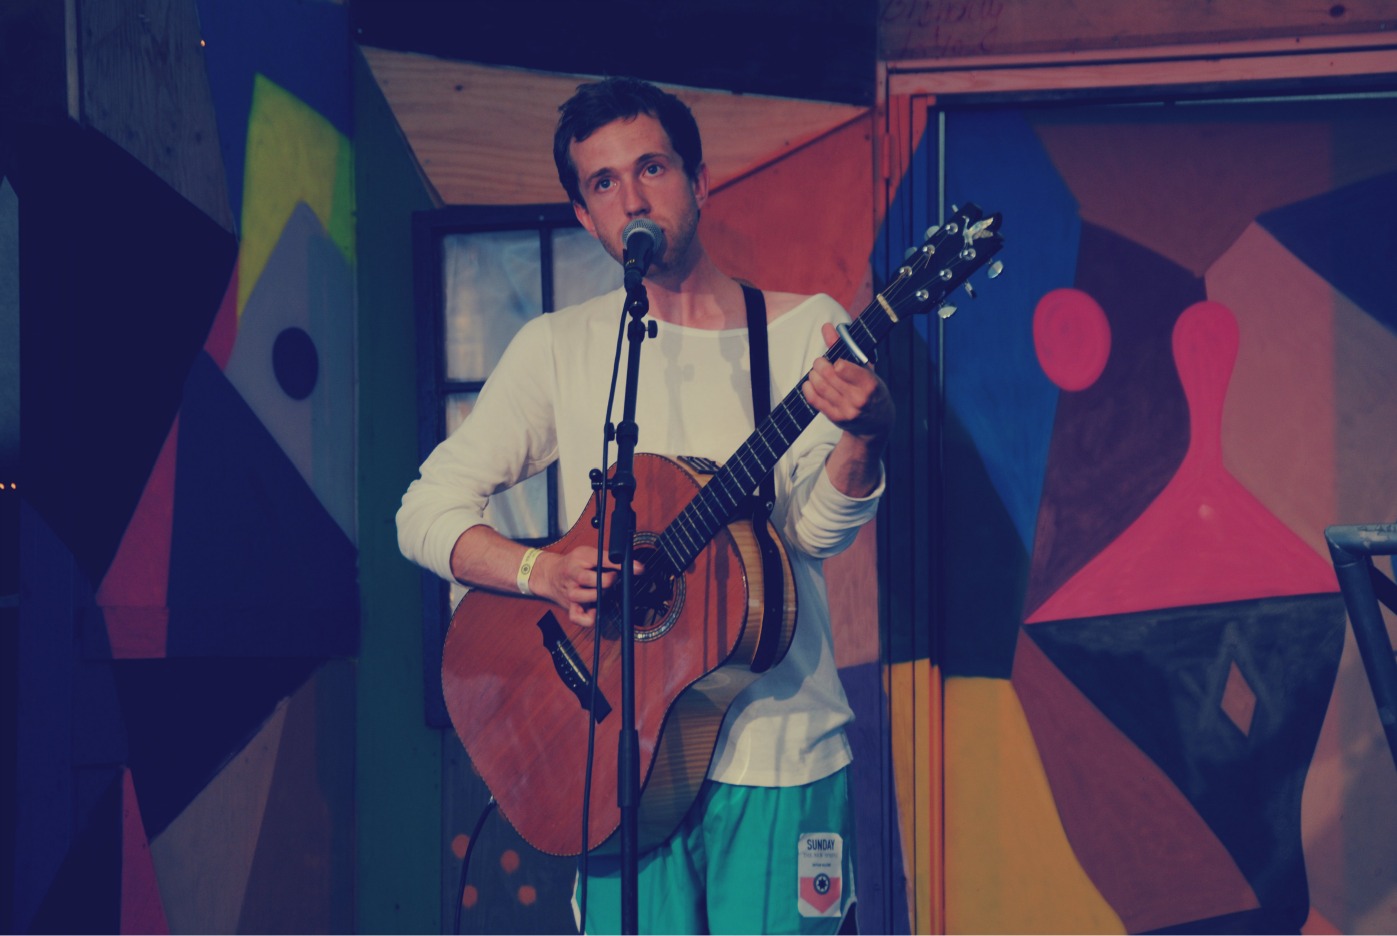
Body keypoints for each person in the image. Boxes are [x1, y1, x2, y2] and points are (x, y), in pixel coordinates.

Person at [396, 76, 893, 934]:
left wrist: (862, 438)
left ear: (697, 181)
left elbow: (812, 535)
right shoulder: (559, 347)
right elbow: (422, 511)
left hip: (780, 753)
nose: (631, 197)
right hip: (613, 766)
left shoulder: (798, 330)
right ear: (585, 216)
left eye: (651, 168)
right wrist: (542, 571)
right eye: (604, 182)